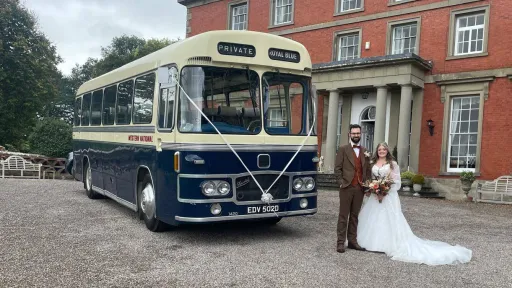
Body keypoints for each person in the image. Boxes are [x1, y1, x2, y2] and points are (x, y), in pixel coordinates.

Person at [357, 142, 473, 265]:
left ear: (387, 151)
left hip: (388, 195)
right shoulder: (373, 164)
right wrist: (374, 188)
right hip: (375, 196)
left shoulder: (392, 164)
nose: (381, 151)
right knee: (373, 217)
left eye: (384, 149)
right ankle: (372, 243)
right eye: (379, 149)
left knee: (389, 218)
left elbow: (396, 181)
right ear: (377, 151)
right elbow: (370, 178)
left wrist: (384, 189)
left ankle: (388, 245)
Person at [334, 124, 373, 253]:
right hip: (346, 187)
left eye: (358, 133)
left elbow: (367, 170)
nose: (356, 135)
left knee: (355, 216)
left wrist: (367, 186)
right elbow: (337, 169)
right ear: (349, 134)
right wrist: (341, 182)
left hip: (359, 188)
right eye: (354, 133)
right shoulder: (343, 149)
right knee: (343, 216)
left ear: (360, 134)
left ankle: (352, 241)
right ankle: (340, 242)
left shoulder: (364, 150)